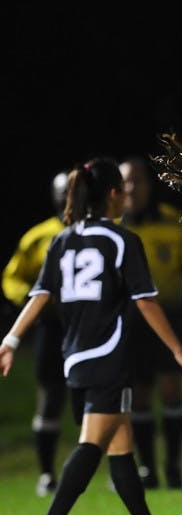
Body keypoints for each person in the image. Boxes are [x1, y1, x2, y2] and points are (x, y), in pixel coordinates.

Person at [0, 158, 182, 515]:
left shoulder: (63, 238)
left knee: (120, 445)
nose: (125, 197)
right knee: (92, 444)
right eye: (120, 191)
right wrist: (178, 349)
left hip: (74, 354)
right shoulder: (122, 240)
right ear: (111, 194)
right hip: (109, 354)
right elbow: (147, 303)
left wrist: (12, 339)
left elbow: (39, 295)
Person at [119, 156, 182, 489]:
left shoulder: (171, 222)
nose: (131, 188)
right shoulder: (115, 227)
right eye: (125, 182)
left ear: (149, 185)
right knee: (139, 395)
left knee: (171, 390)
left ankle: (174, 466)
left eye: (137, 180)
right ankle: (147, 468)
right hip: (131, 321)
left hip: (171, 314)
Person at [2, 170, 69, 497]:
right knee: (50, 397)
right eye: (62, 192)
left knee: (94, 400)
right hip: (51, 327)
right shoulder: (39, 237)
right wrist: (29, 299)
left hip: (87, 327)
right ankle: (46, 472)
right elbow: (12, 278)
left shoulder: (96, 232)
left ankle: (109, 470)